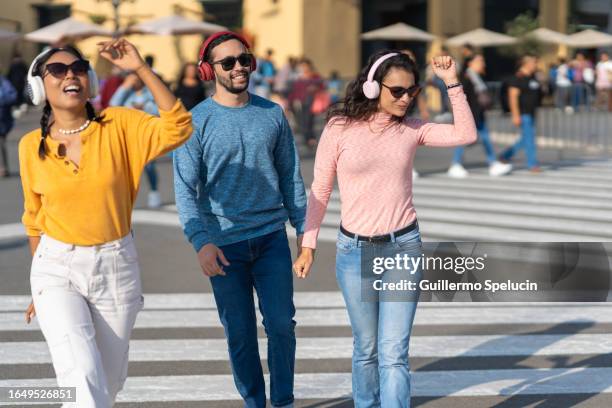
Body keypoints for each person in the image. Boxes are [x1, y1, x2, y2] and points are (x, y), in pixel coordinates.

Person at [293, 51, 477, 407]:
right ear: (373, 86)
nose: (405, 98)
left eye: (412, 91)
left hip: (403, 248)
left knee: (393, 352)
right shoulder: (339, 128)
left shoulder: (412, 129)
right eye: (397, 91)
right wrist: (308, 245)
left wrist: (452, 82)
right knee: (366, 347)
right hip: (354, 250)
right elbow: (320, 188)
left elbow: (466, 134)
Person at [19, 39, 192, 407]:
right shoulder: (30, 146)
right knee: (82, 377)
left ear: (91, 81)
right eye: (58, 70)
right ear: (39, 86)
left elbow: (178, 127)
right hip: (56, 269)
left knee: (106, 385)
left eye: (79, 68)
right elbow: (34, 219)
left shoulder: (121, 125)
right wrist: (38, 288)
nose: (71, 75)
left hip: (116, 267)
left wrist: (140, 68)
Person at [173, 31, 306, 408]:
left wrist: (304, 234)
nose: (238, 68)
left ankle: (282, 401)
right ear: (208, 70)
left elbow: (290, 175)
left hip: (270, 239)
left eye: (243, 59)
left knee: (281, 325)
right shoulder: (195, 122)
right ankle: (254, 402)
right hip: (224, 244)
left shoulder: (272, 113)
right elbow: (184, 189)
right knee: (240, 333)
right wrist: (201, 242)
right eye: (227, 62)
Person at [447, 54, 512, 178]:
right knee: (465, 139)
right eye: (479, 61)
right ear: (470, 63)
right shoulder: (467, 78)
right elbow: (461, 98)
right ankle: (456, 164)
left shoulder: (476, 77)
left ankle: (492, 163)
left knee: (482, 139)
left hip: (477, 114)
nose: (482, 63)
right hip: (469, 115)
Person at [110, 72, 162, 208]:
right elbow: (113, 104)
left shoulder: (150, 93)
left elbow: (159, 109)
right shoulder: (126, 93)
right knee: (125, 168)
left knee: (149, 166)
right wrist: (124, 87)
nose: (135, 82)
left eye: (137, 79)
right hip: (127, 136)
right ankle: (126, 196)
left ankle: (154, 192)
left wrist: (144, 108)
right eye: (132, 79)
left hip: (146, 135)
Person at [499, 54, 542, 173]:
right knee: (530, 139)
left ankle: (505, 155)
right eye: (534, 62)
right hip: (523, 113)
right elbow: (513, 97)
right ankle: (532, 164)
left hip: (532, 112)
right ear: (526, 64)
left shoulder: (533, 77)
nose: (535, 65)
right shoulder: (517, 78)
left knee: (526, 138)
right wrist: (515, 115)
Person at [288, 58, 325, 148]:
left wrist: (314, 87)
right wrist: (290, 102)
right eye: (302, 66)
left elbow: (322, 85)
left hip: (311, 102)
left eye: (305, 65)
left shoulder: (314, 76)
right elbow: (293, 90)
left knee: (308, 121)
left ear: (309, 66)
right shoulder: (297, 77)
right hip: (298, 102)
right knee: (302, 122)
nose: (303, 68)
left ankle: (310, 139)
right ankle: (308, 139)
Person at [0, 74, 17, 177]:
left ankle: (3, 167)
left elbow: (12, 96)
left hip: (2, 118)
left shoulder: (3, 82)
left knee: (1, 142)